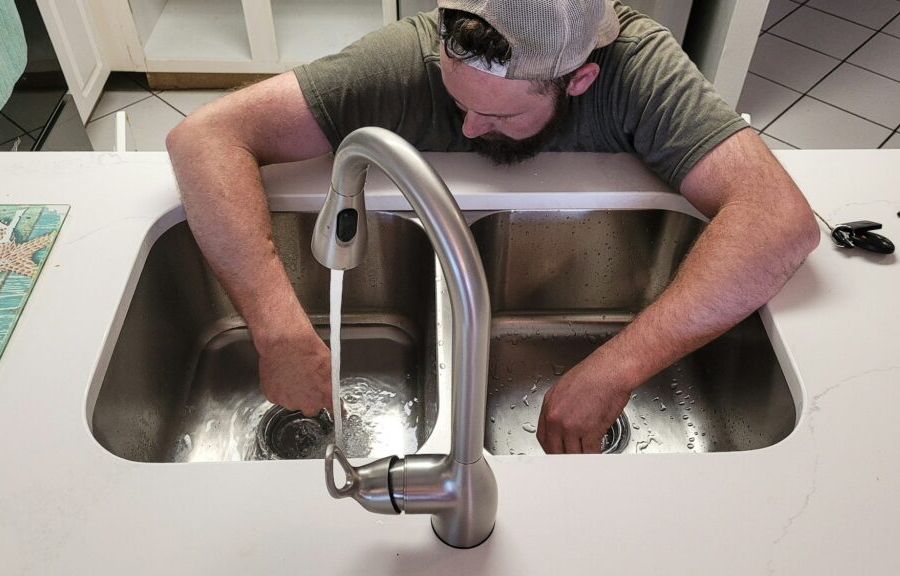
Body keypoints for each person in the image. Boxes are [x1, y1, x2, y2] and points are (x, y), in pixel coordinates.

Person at [166, 0, 820, 455]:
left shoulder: (640, 73)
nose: (470, 129)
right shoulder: (404, 61)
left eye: (501, 118)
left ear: (582, 79)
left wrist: (615, 368)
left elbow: (778, 222)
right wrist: (278, 326)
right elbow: (204, 139)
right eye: (457, 103)